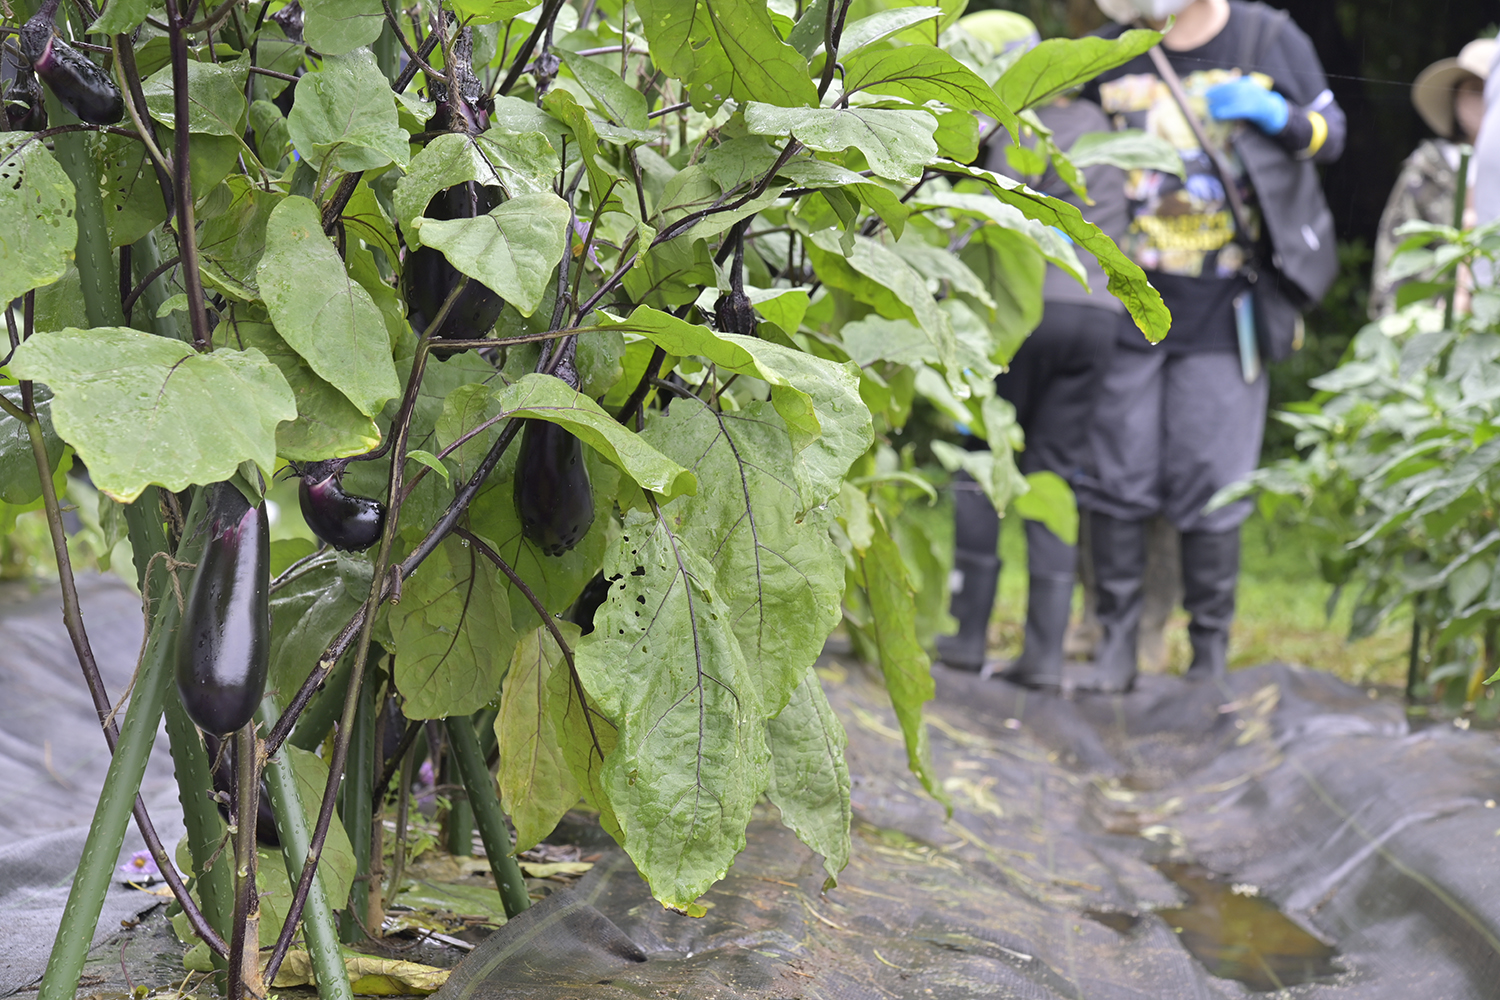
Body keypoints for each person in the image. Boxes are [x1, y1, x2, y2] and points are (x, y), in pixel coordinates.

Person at [1074, 0, 1344, 693]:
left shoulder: (1266, 37)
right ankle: (1115, 644)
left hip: (1228, 308)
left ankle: (1210, 653)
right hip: (1125, 305)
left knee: (1213, 479)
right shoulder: (1106, 51)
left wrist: (1275, 114)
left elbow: (1330, 136)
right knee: (1118, 472)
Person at [934, 11, 1129, 690]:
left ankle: (965, 636)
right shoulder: (1105, 131)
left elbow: (978, 218)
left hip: (1022, 312)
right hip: (1097, 317)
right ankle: (1044, 655)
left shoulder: (1015, 126)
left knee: (982, 456)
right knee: (1055, 473)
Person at [1369, 39, 1495, 319]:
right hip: (1430, 319)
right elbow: (1393, 260)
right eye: (1473, 90)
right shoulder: (1427, 171)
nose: (1482, 101)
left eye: (1490, 91)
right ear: (1456, 98)